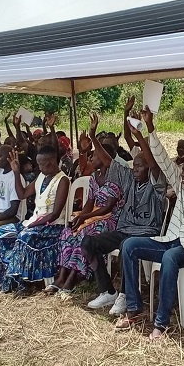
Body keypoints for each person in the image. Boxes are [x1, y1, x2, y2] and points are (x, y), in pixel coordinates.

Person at [116, 101, 184, 340]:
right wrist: (149, 128)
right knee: (129, 245)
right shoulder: (181, 188)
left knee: (170, 257)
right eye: (182, 169)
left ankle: (161, 323)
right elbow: (163, 160)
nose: (182, 173)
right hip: (172, 240)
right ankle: (133, 308)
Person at [84, 117, 167, 312]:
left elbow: (154, 165)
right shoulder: (130, 179)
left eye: (140, 166)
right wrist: (94, 137)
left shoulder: (157, 184)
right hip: (124, 229)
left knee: (125, 245)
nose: (135, 169)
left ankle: (125, 295)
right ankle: (107, 292)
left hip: (146, 232)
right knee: (89, 242)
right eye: (134, 165)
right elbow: (107, 161)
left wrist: (138, 134)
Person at [0, 145, 69, 294]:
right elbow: (22, 194)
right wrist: (16, 173)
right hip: (33, 223)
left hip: (52, 226)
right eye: (38, 164)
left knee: (24, 236)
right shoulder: (41, 176)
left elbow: (54, 214)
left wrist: (34, 223)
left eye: (42, 164)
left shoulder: (63, 180)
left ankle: (21, 283)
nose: (39, 167)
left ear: (52, 161)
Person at [51, 118, 124, 293]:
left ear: (106, 158)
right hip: (93, 216)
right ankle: (61, 276)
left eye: (95, 155)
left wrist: (84, 218)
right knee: (69, 231)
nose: (91, 157)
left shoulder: (116, 178)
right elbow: (89, 203)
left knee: (85, 233)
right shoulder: (93, 178)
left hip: (110, 220)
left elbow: (107, 208)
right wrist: (80, 218)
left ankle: (72, 279)